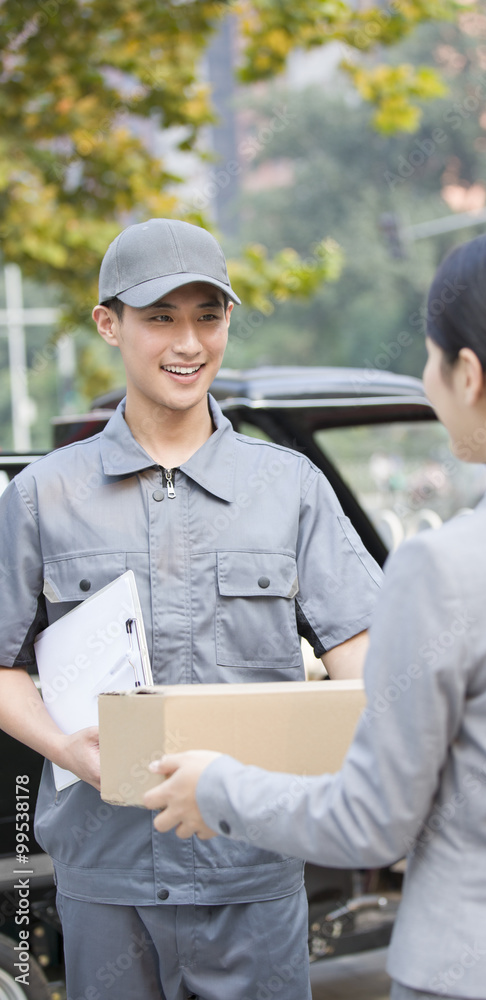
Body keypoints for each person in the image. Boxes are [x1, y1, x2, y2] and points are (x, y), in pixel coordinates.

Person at [146, 227, 486, 1000]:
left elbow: (370, 824)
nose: (425, 381)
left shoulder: (445, 566)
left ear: (469, 374)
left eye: (428, 357)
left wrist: (217, 787)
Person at [0, 218, 383, 999]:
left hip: (254, 869)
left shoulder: (291, 489)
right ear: (109, 324)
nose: (189, 342)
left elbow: (365, 661)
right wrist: (68, 750)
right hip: (105, 879)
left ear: (229, 321)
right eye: (160, 318)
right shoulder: (44, 496)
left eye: (208, 315)